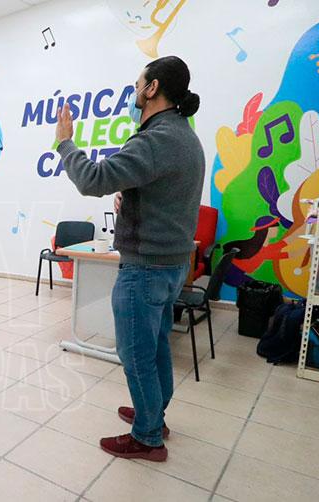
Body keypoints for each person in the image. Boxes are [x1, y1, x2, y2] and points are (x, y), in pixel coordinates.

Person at [55, 55, 204, 462]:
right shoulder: (184, 136)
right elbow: (168, 195)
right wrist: (132, 197)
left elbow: (92, 180)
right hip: (172, 265)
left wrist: (65, 142)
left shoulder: (155, 139)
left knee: (136, 355)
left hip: (146, 268)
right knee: (155, 348)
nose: (133, 92)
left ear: (152, 88)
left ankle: (148, 437)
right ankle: (153, 414)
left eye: (138, 84)